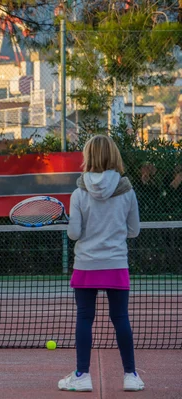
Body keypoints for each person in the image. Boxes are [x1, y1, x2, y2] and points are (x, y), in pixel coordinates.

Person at [58, 135, 144, 392]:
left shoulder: (78, 192)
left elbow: (74, 234)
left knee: (85, 318)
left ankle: (82, 376)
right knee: (120, 318)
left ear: (88, 157)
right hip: (116, 263)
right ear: (114, 155)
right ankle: (131, 376)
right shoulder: (127, 191)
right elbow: (134, 231)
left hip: (86, 264)